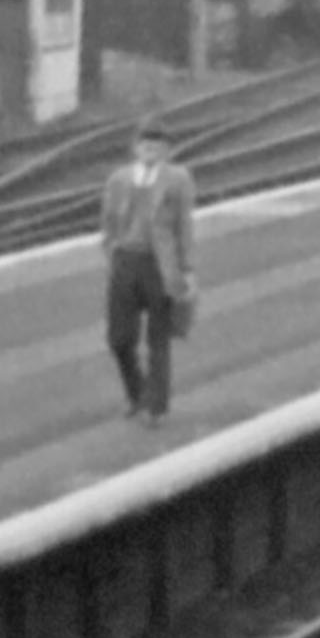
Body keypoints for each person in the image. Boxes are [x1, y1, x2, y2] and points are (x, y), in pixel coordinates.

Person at [99, 117, 197, 423]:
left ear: (167, 151)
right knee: (119, 338)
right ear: (135, 149)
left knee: (158, 339)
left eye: (156, 146)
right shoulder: (118, 180)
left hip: (160, 265)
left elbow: (185, 226)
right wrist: (111, 252)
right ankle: (137, 392)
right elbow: (108, 221)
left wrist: (187, 270)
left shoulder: (179, 180)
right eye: (144, 145)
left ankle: (156, 407)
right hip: (126, 261)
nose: (149, 151)